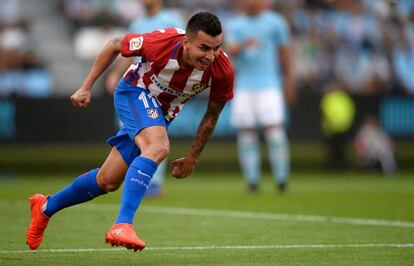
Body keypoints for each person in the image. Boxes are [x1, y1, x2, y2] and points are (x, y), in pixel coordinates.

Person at [26, 12, 233, 252]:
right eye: (204, 48)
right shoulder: (161, 43)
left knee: (107, 181)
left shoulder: (222, 69)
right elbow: (115, 44)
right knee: (158, 147)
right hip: (134, 92)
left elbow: (211, 116)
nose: (211, 56)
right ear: (186, 42)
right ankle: (122, 224)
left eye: (216, 48)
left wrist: (193, 157)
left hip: (160, 114)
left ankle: (45, 207)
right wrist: (86, 87)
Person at [106, 0, 184, 197]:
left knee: (156, 135)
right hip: (135, 85)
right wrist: (115, 74)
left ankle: (153, 182)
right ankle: (129, 176)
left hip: (159, 87)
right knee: (132, 133)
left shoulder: (171, 20)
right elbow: (128, 54)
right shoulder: (137, 24)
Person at [225, 0, 295, 193]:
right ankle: (252, 181)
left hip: (269, 85)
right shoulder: (235, 24)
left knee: (274, 131)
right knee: (246, 133)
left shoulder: (275, 22)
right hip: (245, 86)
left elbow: (285, 53)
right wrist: (243, 45)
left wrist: (289, 82)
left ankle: (281, 179)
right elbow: (230, 50)